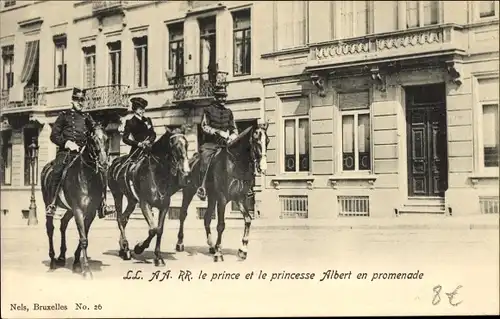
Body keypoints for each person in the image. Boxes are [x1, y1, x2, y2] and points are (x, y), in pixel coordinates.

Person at [46, 87, 111, 218]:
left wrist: (99, 132)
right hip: (67, 152)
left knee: (101, 171)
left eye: (82, 100)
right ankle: (52, 204)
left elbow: (95, 130)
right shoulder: (64, 116)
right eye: (77, 100)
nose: (80, 102)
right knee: (57, 170)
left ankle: (103, 204)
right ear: (72, 100)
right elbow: (54, 136)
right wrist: (66, 143)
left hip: (83, 152)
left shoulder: (87, 117)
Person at [196, 85, 238, 201]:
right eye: (220, 97)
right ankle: (202, 188)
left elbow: (234, 128)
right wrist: (217, 132)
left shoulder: (229, 112)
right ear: (215, 97)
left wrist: (232, 136)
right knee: (205, 160)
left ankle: (241, 187)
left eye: (224, 97)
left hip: (225, 144)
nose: (223, 100)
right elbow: (204, 126)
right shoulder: (208, 110)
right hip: (210, 144)